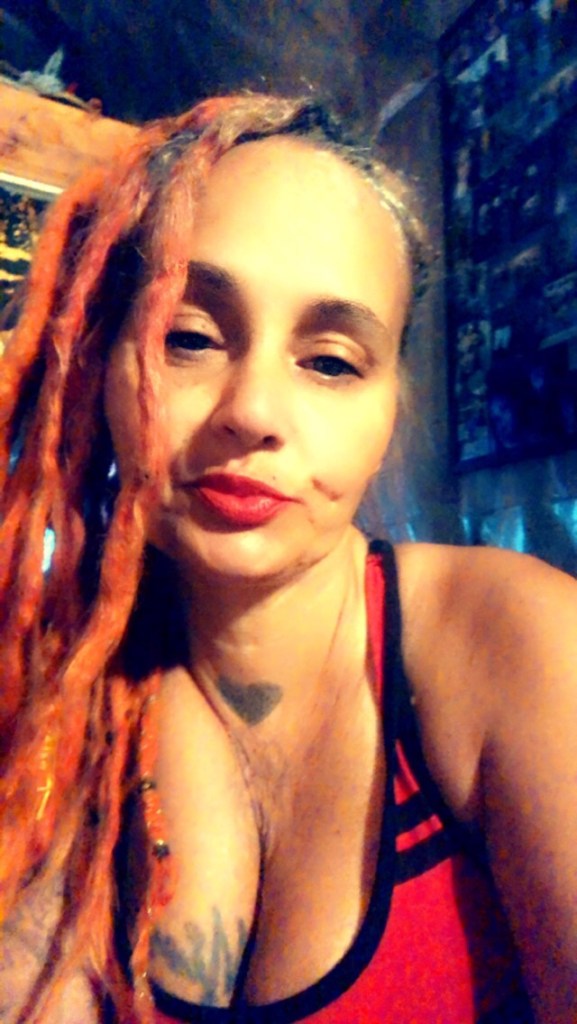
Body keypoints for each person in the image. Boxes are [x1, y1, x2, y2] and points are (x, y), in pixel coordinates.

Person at [0, 93, 576, 1024]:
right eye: (188, 338)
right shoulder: (68, 702)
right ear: (104, 368)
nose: (254, 411)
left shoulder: (518, 644)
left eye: (331, 361)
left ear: (390, 411)